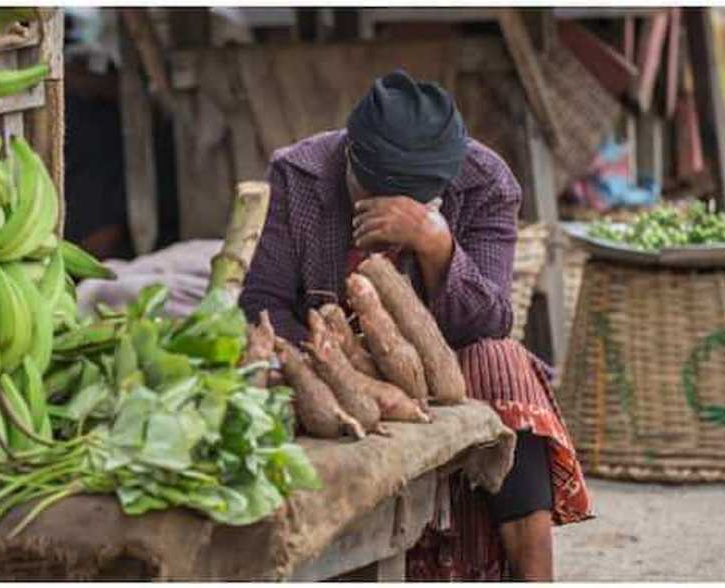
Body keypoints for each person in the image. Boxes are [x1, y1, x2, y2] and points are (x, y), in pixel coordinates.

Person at [239, 70, 593, 581]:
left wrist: (436, 245)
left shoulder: (487, 181)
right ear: (352, 161)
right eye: (377, 197)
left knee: (503, 360)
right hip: (330, 369)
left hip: (451, 365)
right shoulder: (300, 174)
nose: (391, 216)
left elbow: (492, 320)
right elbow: (262, 304)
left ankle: (533, 575)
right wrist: (338, 367)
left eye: (416, 202)